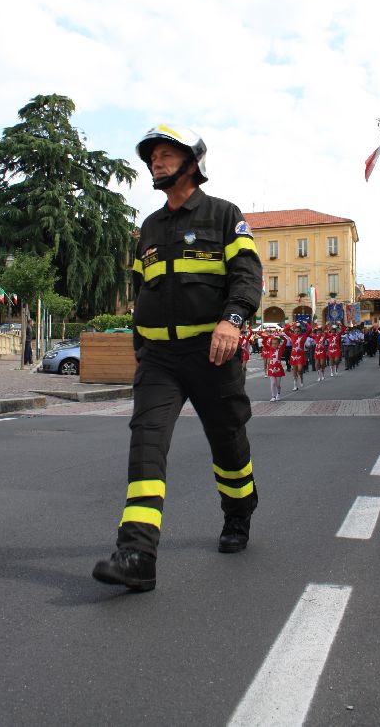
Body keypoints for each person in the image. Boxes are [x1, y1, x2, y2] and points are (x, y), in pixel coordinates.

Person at [93, 125, 262, 592]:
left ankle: (238, 512)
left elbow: (247, 276)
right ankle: (137, 553)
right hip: (160, 360)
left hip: (213, 353)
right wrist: (140, 347)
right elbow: (138, 291)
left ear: (193, 163)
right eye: (152, 158)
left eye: (166, 155)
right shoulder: (149, 228)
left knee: (228, 444)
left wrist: (232, 319)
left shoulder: (224, 216)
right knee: (146, 445)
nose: (156, 163)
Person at [283, 320, 311, 391]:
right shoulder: (292, 335)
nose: (297, 332)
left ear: (300, 331)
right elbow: (285, 330)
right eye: (295, 331)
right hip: (293, 356)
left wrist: (306, 323)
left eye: (298, 331)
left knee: (300, 369)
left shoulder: (304, 336)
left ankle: (301, 378)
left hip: (301, 356)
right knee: (294, 371)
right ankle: (295, 385)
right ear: (294, 331)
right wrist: (292, 325)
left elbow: (310, 329)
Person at [266, 333, 286, 401]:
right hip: (271, 368)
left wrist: (280, 335)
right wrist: (268, 336)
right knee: (273, 382)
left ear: (278, 344)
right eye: (273, 343)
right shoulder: (270, 349)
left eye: (276, 343)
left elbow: (285, 340)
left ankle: (278, 394)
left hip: (278, 369)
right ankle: (273, 396)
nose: (274, 345)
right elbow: (263, 342)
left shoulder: (280, 349)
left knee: (278, 384)